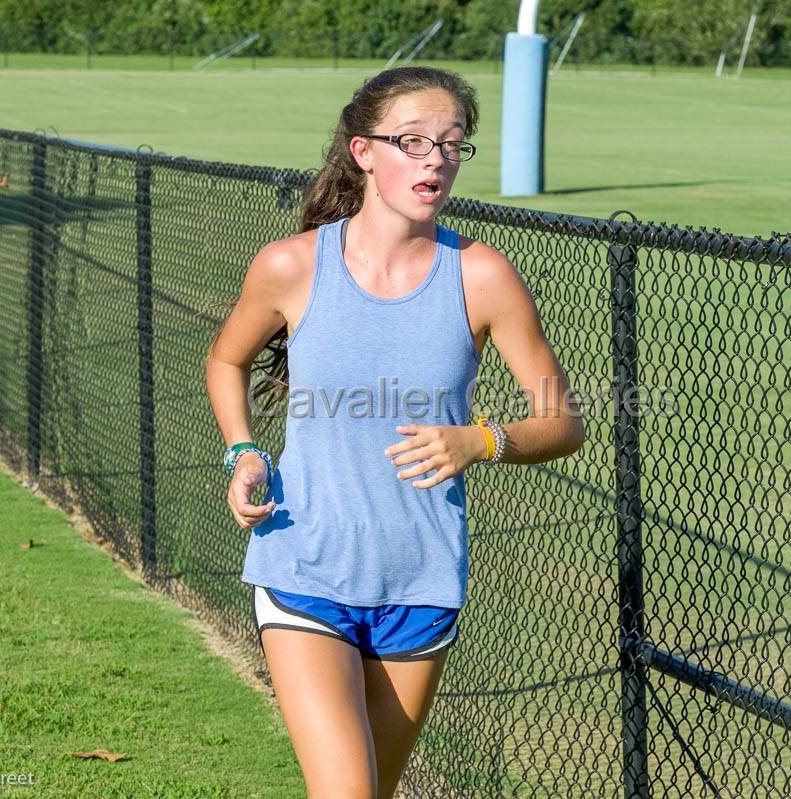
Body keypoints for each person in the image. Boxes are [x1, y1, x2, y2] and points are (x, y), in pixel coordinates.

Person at [204, 65, 585, 799]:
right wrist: (243, 450)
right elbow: (226, 358)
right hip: (303, 567)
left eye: (450, 144)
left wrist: (482, 439)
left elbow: (562, 421)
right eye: (412, 141)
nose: (435, 159)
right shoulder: (292, 265)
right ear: (363, 152)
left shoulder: (482, 276)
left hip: (421, 582)